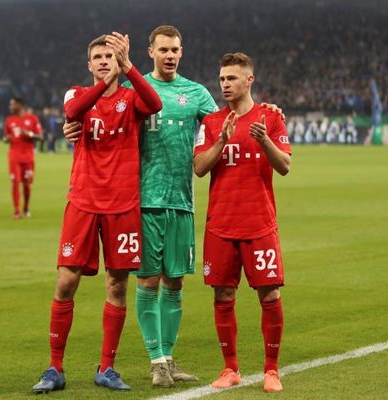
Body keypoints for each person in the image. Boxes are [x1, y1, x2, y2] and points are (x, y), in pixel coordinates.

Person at [63, 25, 283, 388]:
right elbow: (96, 113)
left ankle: (167, 356)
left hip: (182, 200)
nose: (170, 55)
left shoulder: (195, 93)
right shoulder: (133, 89)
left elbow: (228, 120)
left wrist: (266, 108)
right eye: (163, 49)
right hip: (143, 200)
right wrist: (70, 127)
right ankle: (156, 361)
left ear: (181, 52)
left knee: (175, 282)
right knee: (148, 281)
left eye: (175, 50)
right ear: (150, 52)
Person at [32, 32, 162, 394]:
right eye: (99, 57)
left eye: (110, 56)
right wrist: (106, 82)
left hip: (123, 204)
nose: (105, 61)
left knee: (117, 285)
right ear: (89, 64)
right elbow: (73, 112)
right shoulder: (76, 94)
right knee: (66, 282)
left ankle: (107, 368)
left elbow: (154, 104)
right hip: (84, 201)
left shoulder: (131, 99)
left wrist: (129, 66)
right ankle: (55, 368)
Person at [193, 52, 291, 393]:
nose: (225, 84)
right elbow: (199, 168)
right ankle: (230, 368)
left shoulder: (270, 118)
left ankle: (271, 370)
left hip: (260, 222)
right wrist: (221, 139)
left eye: (231, 78)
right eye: (222, 78)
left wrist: (264, 141)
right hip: (221, 224)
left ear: (249, 80)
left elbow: (285, 166)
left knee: (269, 293)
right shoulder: (211, 123)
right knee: (223, 293)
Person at [3, 97, 43, 219]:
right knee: (15, 183)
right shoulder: (9, 120)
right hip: (14, 157)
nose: (10, 107)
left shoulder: (32, 119)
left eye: (12, 104)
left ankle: (26, 207)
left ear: (20, 105)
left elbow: (40, 136)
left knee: (26, 185)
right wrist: (7, 139)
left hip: (28, 158)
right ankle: (16, 210)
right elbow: (5, 137)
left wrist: (28, 134)